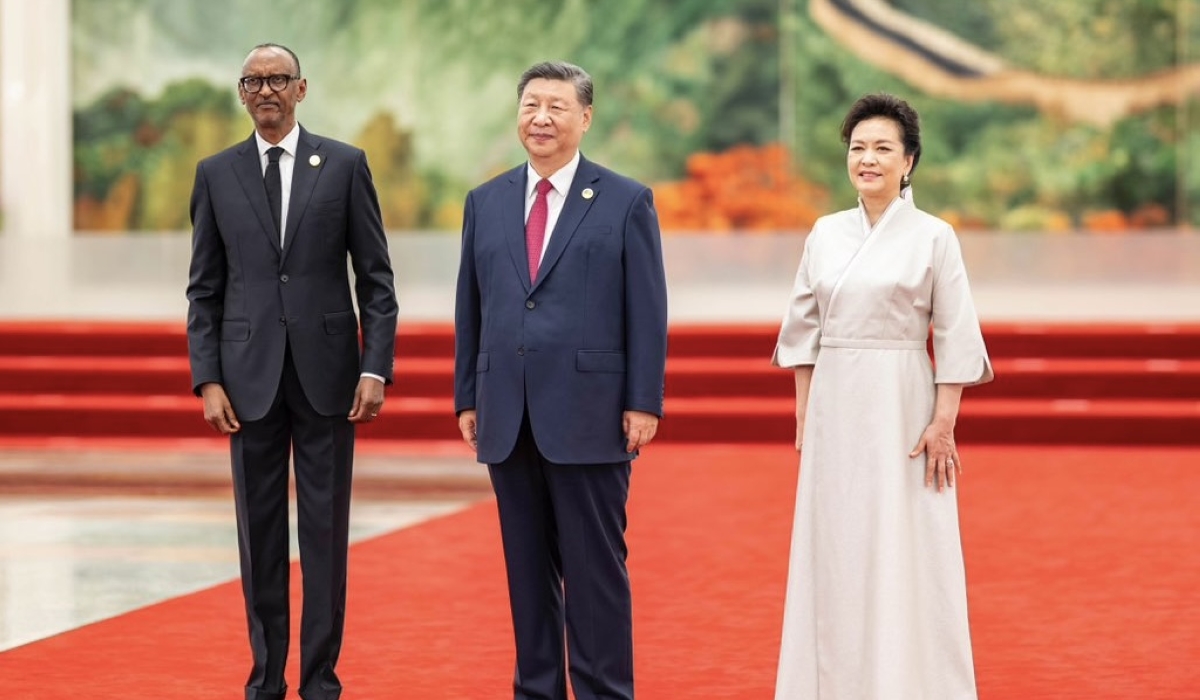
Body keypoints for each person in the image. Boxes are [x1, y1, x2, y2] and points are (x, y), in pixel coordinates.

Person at [186, 43, 398, 700]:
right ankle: (265, 680)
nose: (266, 90)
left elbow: (377, 281)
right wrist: (208, 377)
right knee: (260, 536)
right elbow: (204, 289)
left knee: (326, 535)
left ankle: (320, 681)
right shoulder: (216, 174)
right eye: (253, 81)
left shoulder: (343, 165)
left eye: (278, 79)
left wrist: (375, 369)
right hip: (246, 379)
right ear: (242, 94)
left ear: (301, 89)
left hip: (329, 378)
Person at [453, 60, 668, 700]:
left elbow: (648, 309)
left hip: (591, 412)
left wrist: (642, 400)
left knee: (595, 572)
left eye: (556, 106)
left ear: (585, 118)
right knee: (526, 574)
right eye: (530, 105)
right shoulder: (485, 201)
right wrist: (469, 392)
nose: (541, 117)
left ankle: (604, 691)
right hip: (506, 413)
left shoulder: (626, 199)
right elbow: (473, 303)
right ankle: (537, 690)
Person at [772, 93, 994, 699]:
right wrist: (805, 414)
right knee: (837, 542)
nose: (867, 159)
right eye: (857, 148)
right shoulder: (825, 232)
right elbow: (803, 331)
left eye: (882, 149)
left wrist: (942, 422)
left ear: (909, 161)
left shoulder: (934, 236)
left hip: (903, 401)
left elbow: (953, 333)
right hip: (836, 402)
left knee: (905, 540)